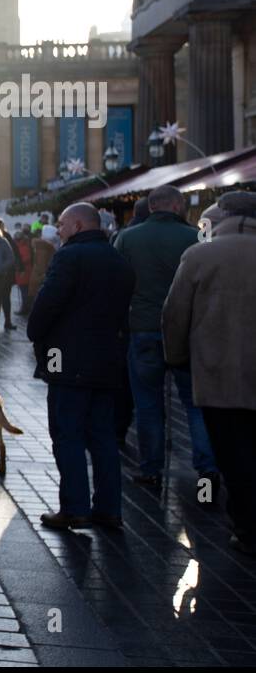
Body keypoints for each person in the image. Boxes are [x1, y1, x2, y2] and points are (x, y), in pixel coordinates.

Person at [27, 202, 135, 531]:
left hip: (68, 360)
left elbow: (48, 303)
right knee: (102, 436)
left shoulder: (69, 256)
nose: (57, 230)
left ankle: (74, 507)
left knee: (67, 433)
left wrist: (36, 330)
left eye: (61, 224)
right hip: (107, 361)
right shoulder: (118, 259)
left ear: (76, 226)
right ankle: (108, 508)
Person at [163, 190, 256, 555]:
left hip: (219, 374)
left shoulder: (201, 255)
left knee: (232, 452)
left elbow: (174, 315)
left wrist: (176, 357)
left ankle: (246, 526)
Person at [114, 185, 218, 490]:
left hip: (143, 328)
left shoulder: (128, 238)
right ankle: (207, 469)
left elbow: (118, 284)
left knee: (147, 404)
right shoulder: (195, 237)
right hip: (186, 331)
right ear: (175, 206)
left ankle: (151, 468)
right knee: (193, 403)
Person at [27, 224, 58, 307]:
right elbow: (41, 267)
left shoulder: (42, 246)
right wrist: (44, 277)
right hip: (42, 280)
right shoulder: (45, 247)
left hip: (37, 279)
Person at [13, 222, 34, 316]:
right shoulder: (20, 245)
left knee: (24, 292)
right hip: (22, 272)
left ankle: (25, 309)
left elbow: (26, 258)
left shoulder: (23, 246)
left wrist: (17, 261)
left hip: (24, 272)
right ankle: (25, 308)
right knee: (24, 291)